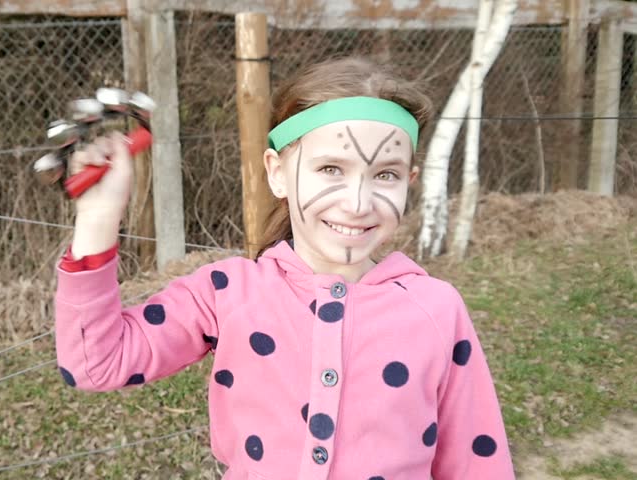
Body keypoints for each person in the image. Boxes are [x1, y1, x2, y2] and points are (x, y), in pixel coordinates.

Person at [53, 56, 515, 479]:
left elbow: (478, 463)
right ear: (277, 172)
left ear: (409, 182)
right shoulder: (226, 294)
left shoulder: (436, 309)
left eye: (386, 175)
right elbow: (95, 364)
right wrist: (98, 218)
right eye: (331, 169)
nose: (357, 203)